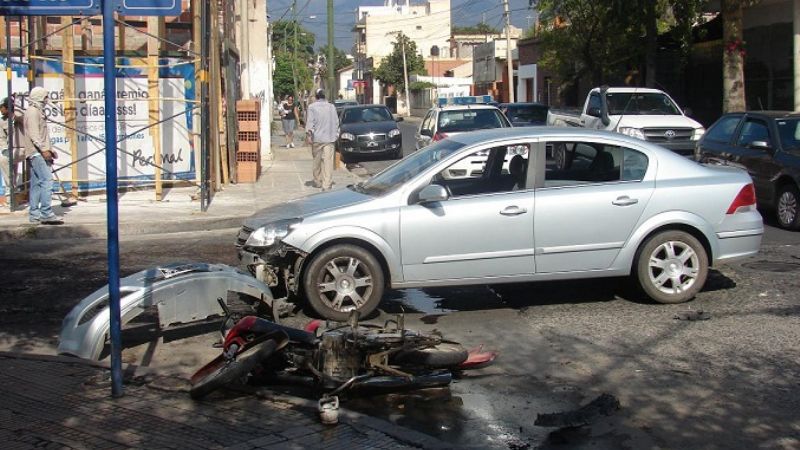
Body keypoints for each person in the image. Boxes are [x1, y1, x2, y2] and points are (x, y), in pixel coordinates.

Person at [23, 87, 62, 225]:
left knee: (36, 184)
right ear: (40, 97)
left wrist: (50, 149)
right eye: (45, 97)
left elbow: (42, 134)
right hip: (37, 153)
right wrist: (44, 150)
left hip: (37, 152)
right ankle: (46, 213)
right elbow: (35, 134)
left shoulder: (35, 111)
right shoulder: (33, 112)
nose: (47, 100)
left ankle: (34, 214)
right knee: (47, 181)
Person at [305, 89, 339, 191]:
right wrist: (336, 134)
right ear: (325, 96)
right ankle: (326, 184)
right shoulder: (331, 107)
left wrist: (309, 135)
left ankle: (317, 180)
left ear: (316, 96)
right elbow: (336, 122)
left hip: (317, 138)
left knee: (316, 160)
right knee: (328, 162)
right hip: (329, 138)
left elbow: (310, 122)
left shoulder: (312, 107)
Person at [0, 97, 23, 210]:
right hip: (11, 150)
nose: (0, 110)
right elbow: (2, 139)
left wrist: (14, 115)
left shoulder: (19, 115)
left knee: (5, 161)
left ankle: (13, 196)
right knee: (4, 160)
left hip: (24, 149)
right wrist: (4, 149)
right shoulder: (2, 121)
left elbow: (23, 119)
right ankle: (11, 199)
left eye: (2, 107)